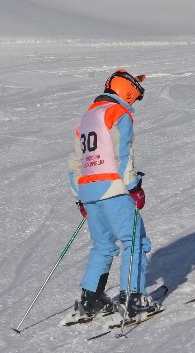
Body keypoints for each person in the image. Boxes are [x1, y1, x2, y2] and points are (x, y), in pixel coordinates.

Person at [67, 69, 156, 320]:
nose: (133, 102)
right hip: (113, 187)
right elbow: (123, 153)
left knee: (103, 245)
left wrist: (79, 195)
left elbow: (75, 161)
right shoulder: (118, 113)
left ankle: (90, 299)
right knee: (134, 240)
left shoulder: (86, 118)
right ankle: (133, 298)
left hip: (88, 189)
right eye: (134, 97)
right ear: (126, 92)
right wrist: (134, 187)